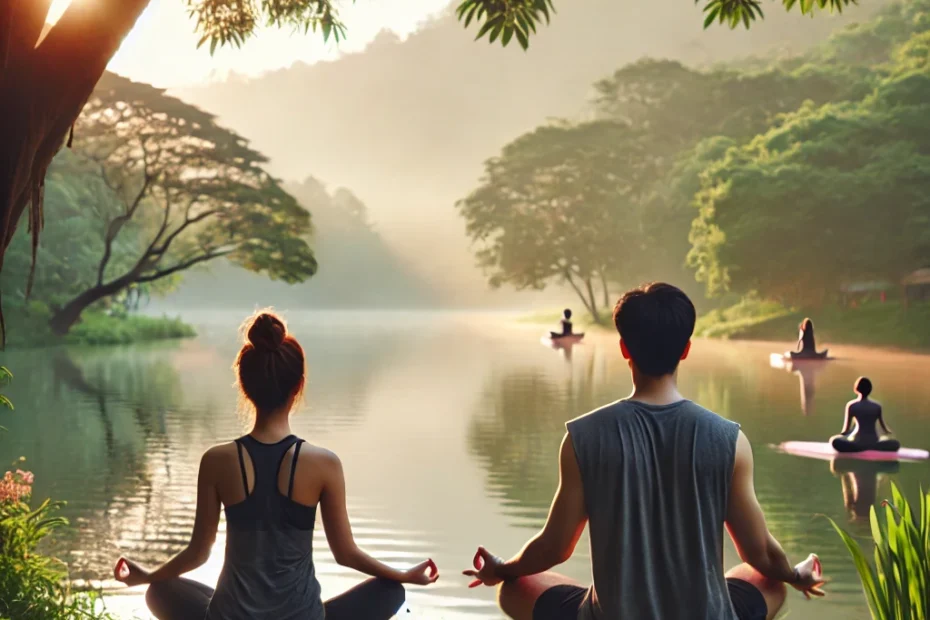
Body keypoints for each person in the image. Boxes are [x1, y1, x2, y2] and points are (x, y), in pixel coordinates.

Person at [463, 283, 825, 620]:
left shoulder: (583, 436)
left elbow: (555, 548)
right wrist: (797, 574)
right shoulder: (729, 439)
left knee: (514, 589)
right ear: (685, 349)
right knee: (770, 579)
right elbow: (759, 552)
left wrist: (501, 569)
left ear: (624, 349)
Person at [113, 310, 439, 620]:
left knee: (159, 590)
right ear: (298, 386)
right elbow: (345, 553)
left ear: (244, 385)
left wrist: (148, 575)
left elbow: (199, 552)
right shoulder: (324, 464)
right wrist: (404, 575)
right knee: (390, 591)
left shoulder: (217, 461)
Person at [830, 377, 900, 453]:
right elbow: (885, 429)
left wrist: (842, 437)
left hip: (857, 443)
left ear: (856, 389)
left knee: (834, 441)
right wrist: (888, 436)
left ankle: (856, 450)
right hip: (874, 443)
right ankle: (873, 448)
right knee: (895, 443)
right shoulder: (877, 406)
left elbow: (846, 431)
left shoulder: (852, 405)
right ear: (870, 390)